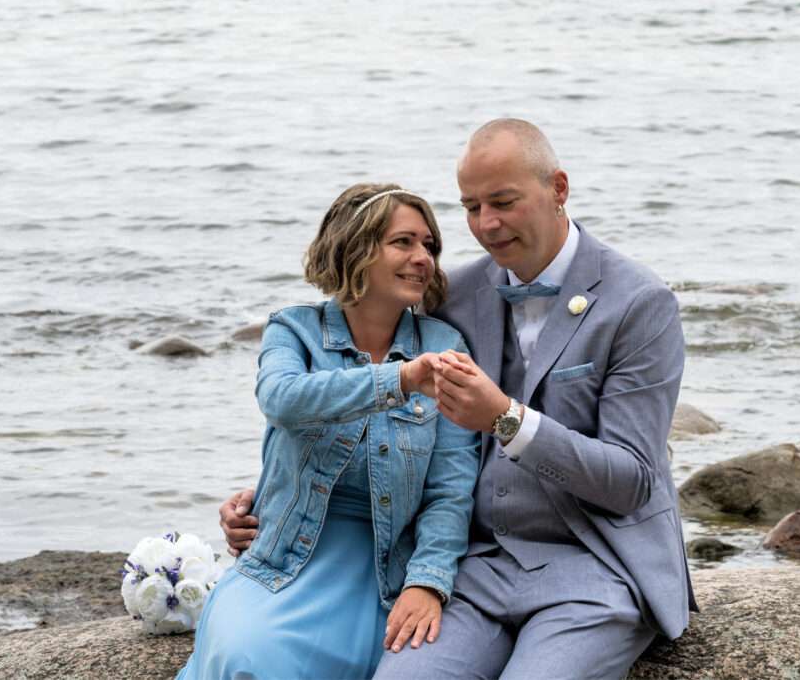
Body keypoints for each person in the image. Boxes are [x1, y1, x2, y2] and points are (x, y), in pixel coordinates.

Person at [223, 119, 696, 679]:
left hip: (597, 569)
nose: (486, 225)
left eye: (503, 202)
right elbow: (401, 431)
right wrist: (282, 486)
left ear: (558, 189)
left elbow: (632, 480)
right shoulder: (456, 298)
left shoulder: (640, 302)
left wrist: (507, 420)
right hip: (475, 570)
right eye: (471, 207)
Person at [179, 183, 480, 680]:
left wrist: (427, 582)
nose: (423, 257)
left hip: (384, 571)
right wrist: (399, 379)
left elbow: (450, 490)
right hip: (284, 561)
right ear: (356, 248)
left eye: (430, 245)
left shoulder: (445, 345)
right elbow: (283, 399)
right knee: (246, 655)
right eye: (403, 242)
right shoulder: (292, 331)